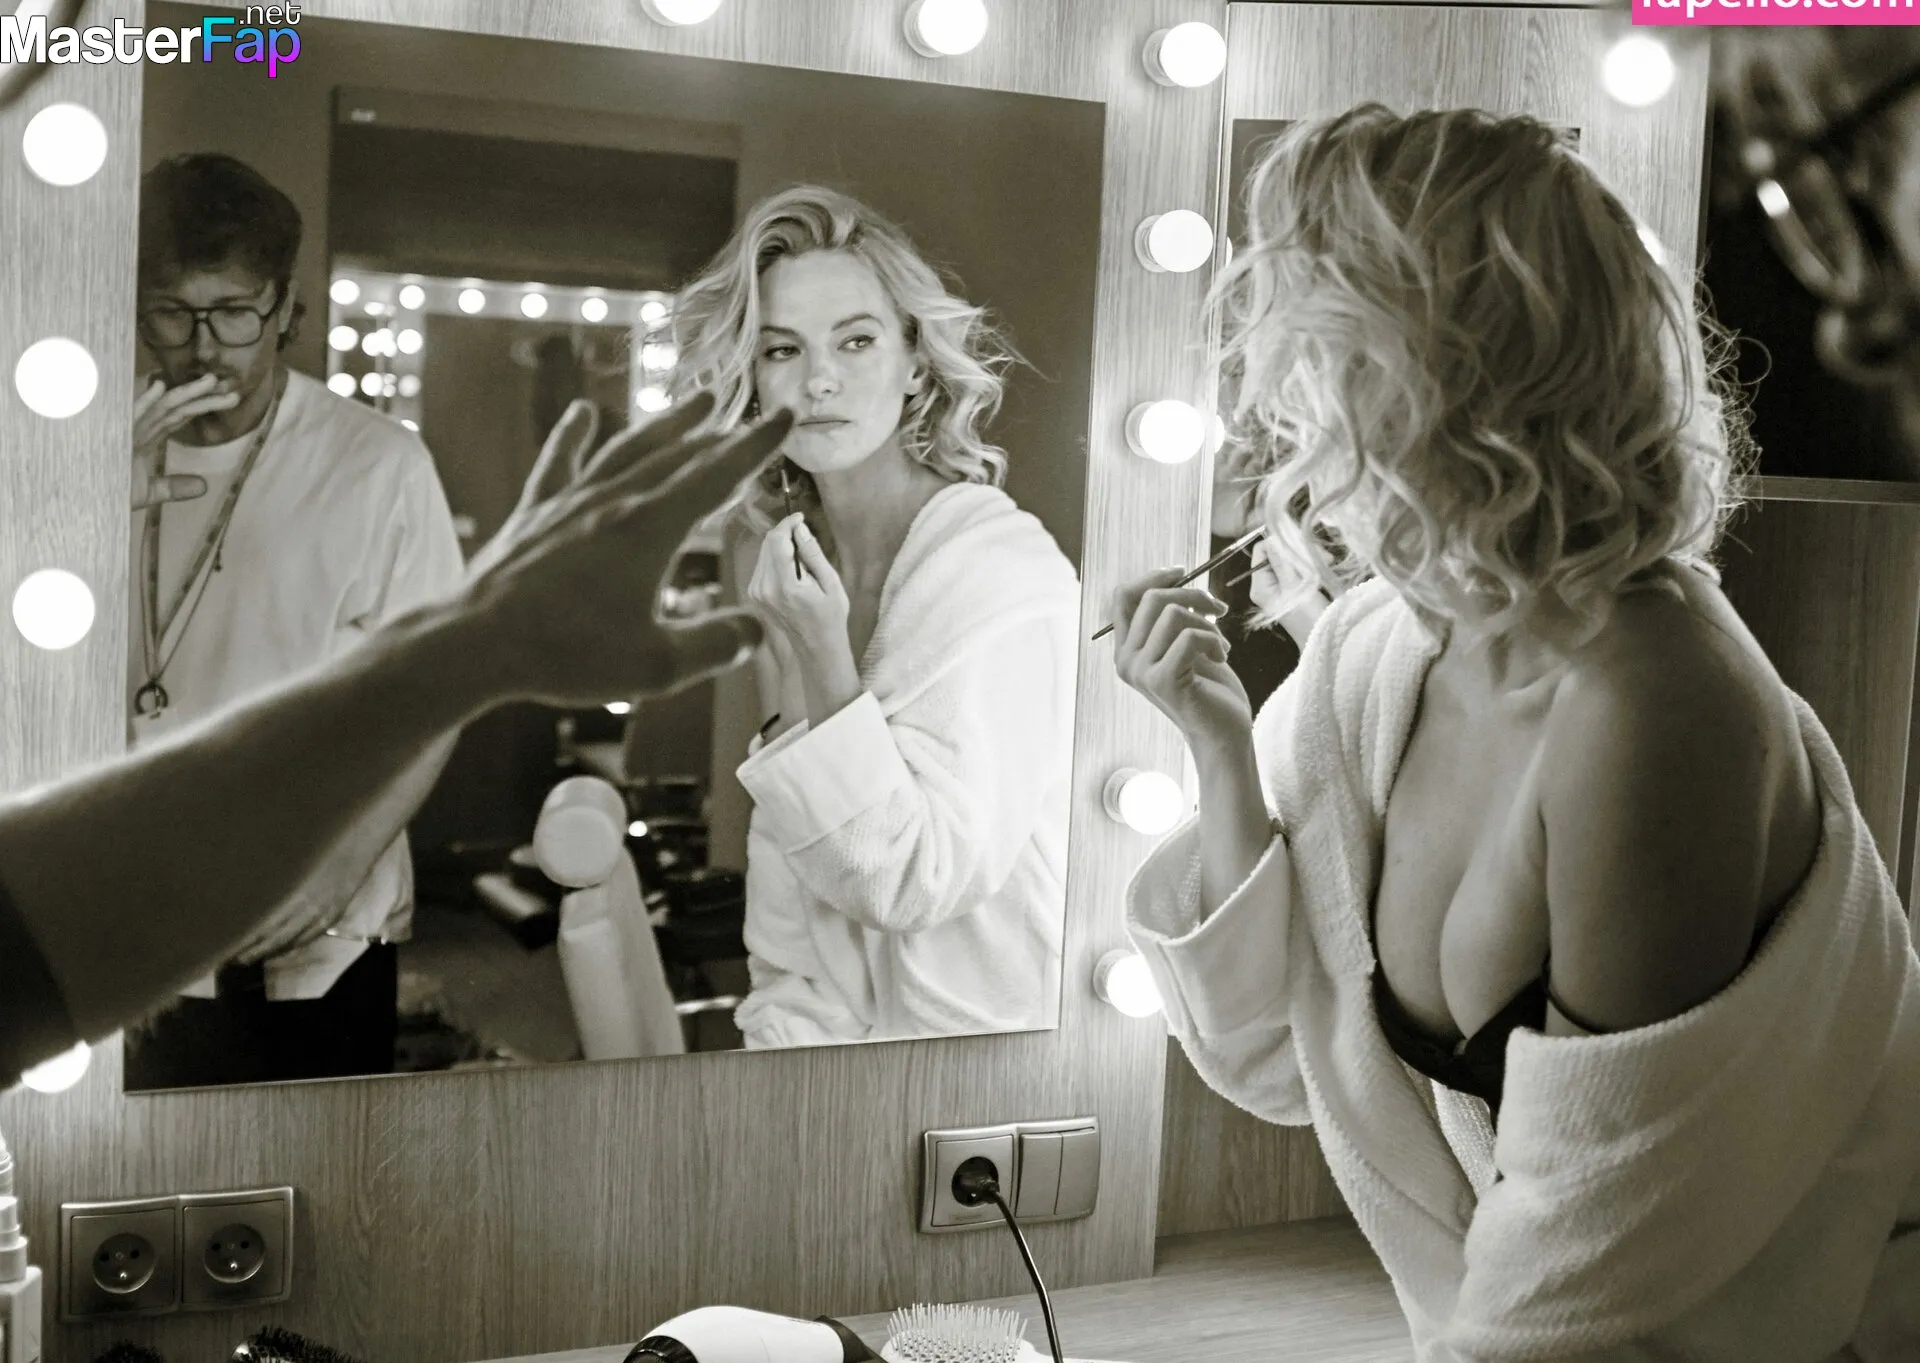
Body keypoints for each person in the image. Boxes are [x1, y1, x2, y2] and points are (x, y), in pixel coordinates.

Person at [1110, 105, 1920, 1361]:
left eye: (1311, 359)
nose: (1281, 416)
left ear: (1439, 379)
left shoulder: (1653, 706)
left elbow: (1599, 1261)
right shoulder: (1377, 656)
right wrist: (1217, 743)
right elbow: (1268, 1050)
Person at [0, 393, 793, 1088]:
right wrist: (474, 640)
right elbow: (44, 928)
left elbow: (35, 928)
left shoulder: (374, 459)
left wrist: (473, 641)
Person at [671, 185, 1080, 1047]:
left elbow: (911, 878)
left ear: (916, 363)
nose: (820, 378)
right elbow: (793, 890)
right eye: (783, 349)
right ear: (753, 380)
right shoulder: (787, 566)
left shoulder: (995, 570)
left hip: (987, 1061)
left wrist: (823, 650)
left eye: (856, 340)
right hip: (836, 1068)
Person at [123, 153, 466, 1087]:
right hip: (131, 910)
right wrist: (97, 509)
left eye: (235, 312)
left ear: (284, 308)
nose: (204, 349)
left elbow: (435, 698)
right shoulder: (84, 445)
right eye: (173, 313)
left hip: (322, 920)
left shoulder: (378, 464)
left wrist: (338, 873)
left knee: (315, 1165)